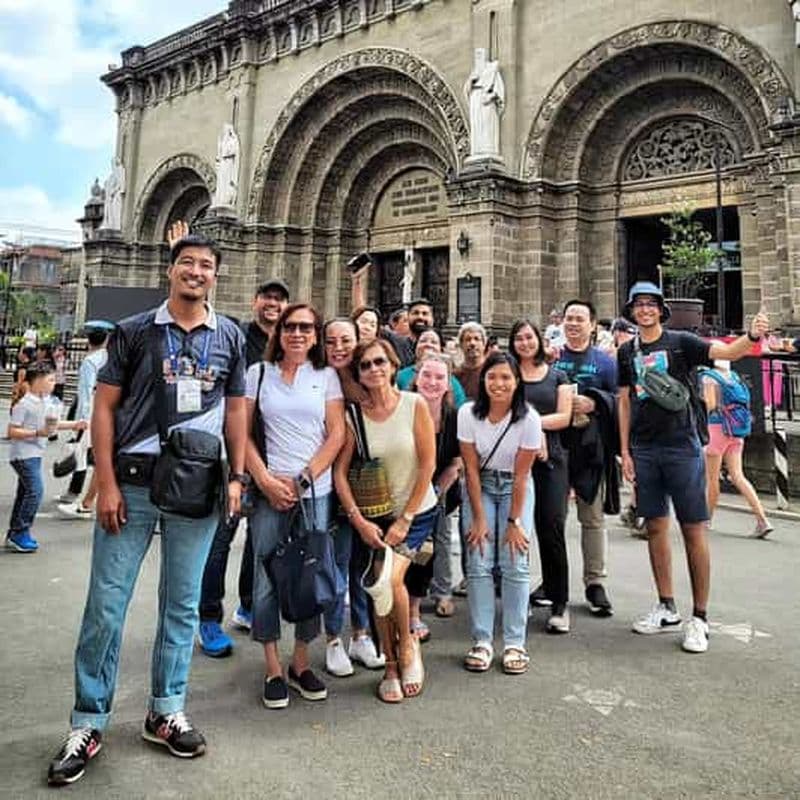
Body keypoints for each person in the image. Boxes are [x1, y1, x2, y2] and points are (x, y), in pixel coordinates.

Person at [47, 232, 247, 785]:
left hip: (197, 487)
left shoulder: (230, 335)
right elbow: (104, 410)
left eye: (206, 265)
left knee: (181, 606)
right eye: (188, 262)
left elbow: (236, 412)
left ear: (216, 275)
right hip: (132, 485)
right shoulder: (135, 332)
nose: (197, 272)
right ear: (171, 269)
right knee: (106, 607)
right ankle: (88, 721)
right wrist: (106, 483)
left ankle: (165, 710)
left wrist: (237, 477)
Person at [618, 281, 769, 654]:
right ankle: (666, 606)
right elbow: (624, 402)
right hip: (645, 448)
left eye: (651, 303)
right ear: (631, 311)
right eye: (639, 304)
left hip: (682, 445)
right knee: (655, 526)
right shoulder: (626, 351)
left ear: (661, 309)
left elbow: (727, 352)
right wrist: (626, 451)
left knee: (693, 529)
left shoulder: (681, 342)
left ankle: (699, 616)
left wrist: (752, 335)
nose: (645, 309)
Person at [245, 303, 345, 709]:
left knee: (310, 574)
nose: (298, 334)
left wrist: (305, 477)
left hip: (313, 490)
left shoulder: (326, 376)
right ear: (279, 332)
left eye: (306, 327)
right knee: (266, 574)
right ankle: (272, 666)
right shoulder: (258, 373)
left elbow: (336, 434)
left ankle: (300, 661)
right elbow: (241, 432)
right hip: (269, 490)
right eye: (290, 327)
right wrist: (265, 479)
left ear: (316, 334)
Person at [334, 338, 438, 703]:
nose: (374, 369)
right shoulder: (354, 416)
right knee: (381, 587)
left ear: (393, 366)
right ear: (358, 374)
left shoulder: (414, 404)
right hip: (377, 515)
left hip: (418, 511)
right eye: (365, 365)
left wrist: (406, 517)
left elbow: (428, 463)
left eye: (380, 362)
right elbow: (340, 473)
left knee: (389, 581)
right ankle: (390, 665)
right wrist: (358, 520)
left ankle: (407, 645)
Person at [196, 276, 290, 658]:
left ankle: (249, 605)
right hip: (233, 453)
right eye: (267, 297)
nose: (273, 304)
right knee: (222, 536)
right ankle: (208, 617)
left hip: (273, 455)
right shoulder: (236, 335)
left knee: (260, 539)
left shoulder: (287, 346)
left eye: (279, 299)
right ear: (255, 302)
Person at [458, 352, 542, 675]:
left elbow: (522, 475)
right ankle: (482, 640)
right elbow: (470, 468)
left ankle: (514, 643)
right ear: (483, 381)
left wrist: (514, 522)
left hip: (514, 487)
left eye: (506, 377)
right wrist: (479, 518)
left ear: (517, 382)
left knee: (515, 560)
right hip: (480, 484)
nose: (498, 384)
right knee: (478, 559)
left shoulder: (529, 419)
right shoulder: (468, 414)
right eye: (492, 377)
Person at [322, 317, 385, 675]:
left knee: (362, 563)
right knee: (336, 563)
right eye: (331, 341)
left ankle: (360, 634)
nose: (339, 347)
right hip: (327, 483)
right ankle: (333, 638)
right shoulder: (318, 378)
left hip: (366, 484)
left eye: (345, 340)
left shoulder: (366, 375)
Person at [553, 299, 619, 618]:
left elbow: (620, 401)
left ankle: (595, 582)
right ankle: (553, 580)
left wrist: (595, 403)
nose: (573, 323)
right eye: (569, 318)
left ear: (593, 325)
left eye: (580, 319)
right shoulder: (552, 358)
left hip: (591, 450)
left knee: (592, 519)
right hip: (556, 448)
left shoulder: (605, 363)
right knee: (552, 519)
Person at [509, 321, 572, 633]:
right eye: (519, 338)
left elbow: (565, 416)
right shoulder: (507, 373)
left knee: (551, 528)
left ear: (539, 339)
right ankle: (516, 599)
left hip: (551, 462)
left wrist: (534, 425)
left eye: (529, 337)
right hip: (513, 460)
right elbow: (501, 411)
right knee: (514, 529)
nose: (524, 343)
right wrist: (534, 430)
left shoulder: (557, 375)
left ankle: (560, 602)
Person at [405, 353, 462, 633]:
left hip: (437, 493)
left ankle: (413, 612)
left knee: (424, 554)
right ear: (416, 378)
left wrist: (436, 492)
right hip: (401, 490)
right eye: (427, 375)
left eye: (440, 377)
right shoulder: (402, 409)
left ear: (448, 383)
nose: (432, 382)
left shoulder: (453, 417)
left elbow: (456, 462)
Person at [6, 362, 87, 553]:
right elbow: (12, 431)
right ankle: (20, 531)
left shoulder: (45, 402)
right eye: (50, 380)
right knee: (35, 491)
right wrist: (38, 433)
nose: (54, 383)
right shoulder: (24, 404)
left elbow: (53, 424)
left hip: (34, 454)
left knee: (25, 493)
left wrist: (75, 424)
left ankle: (15, 532)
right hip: (23, 455)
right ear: (37, 381)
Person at [701, 360, 773, 538]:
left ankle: (706, 519)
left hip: (717, 428)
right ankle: (762, 520)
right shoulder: (734, 377)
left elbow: (710, 405)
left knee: (712, 479)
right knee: (738, 476)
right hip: (736, 429)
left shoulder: (709, 377)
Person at [57, 326, 110, 518]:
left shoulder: (90, 361)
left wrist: (83, 418)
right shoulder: (108, 357)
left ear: (89, 341)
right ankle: (79, 495)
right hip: (105, 408)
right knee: (94, 454)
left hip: (91, 411)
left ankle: (75, 493)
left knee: (83, 453)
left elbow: (86, 391)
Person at [396, 328, 467, 407]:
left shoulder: (453, 383)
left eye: (434, 342)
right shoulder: (400, 376)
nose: (428, 344)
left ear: (441, 349)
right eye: (423, 341)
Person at [454, 321, 487, 402]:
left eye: (477, 339)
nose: (472, 343)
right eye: (468, 339)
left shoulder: (491, 371)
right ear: (461, 345)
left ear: (484, 344)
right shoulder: (455, 375)